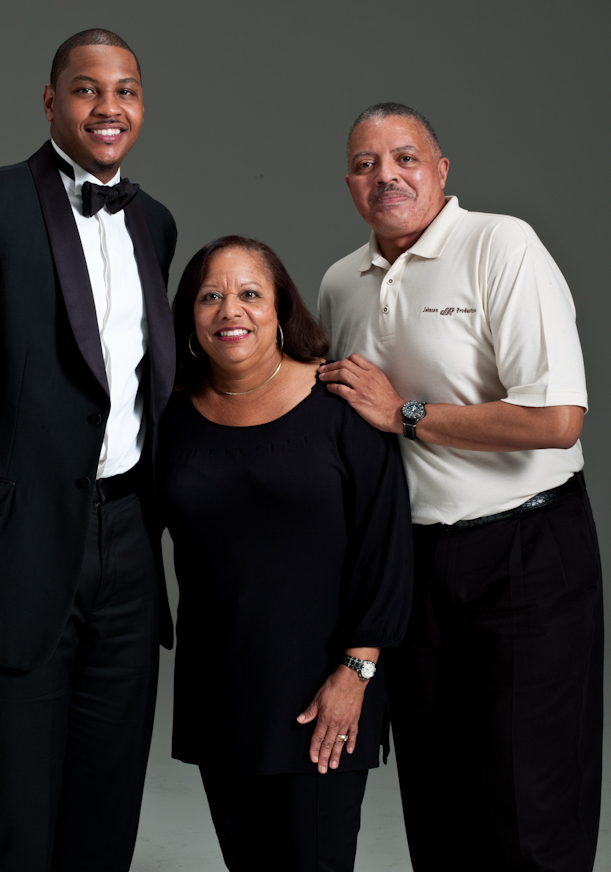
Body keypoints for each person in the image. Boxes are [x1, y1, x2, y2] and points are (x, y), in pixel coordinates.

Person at [0, 28, 177, 872]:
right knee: (11, 816)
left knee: (107, 806)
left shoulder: (154, 223)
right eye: (86, 90)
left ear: (142, 107)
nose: (107, 107)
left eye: (124, 91)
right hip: (9, 556)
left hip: (127, 544)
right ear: (51, 102)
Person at [317, 103, 603, 872]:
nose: (388, 177)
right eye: (368, 164)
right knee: (440, 809)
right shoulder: (341, 284)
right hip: (415, 568)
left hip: (525, 553)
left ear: (442, 171)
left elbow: (557, 419)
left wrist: (406, 414)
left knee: (531, 812)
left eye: (406, 158)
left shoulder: (500, 245)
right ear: (349, 183)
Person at [158, 235, 412, 872]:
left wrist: (357, 674)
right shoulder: (171, 420)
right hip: (220, 690)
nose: (229, 311)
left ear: (280, 311)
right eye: (209, 297)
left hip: (325, 690)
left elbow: (386, 547)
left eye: (249, 294)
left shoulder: (341, 407)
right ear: (189, 317)